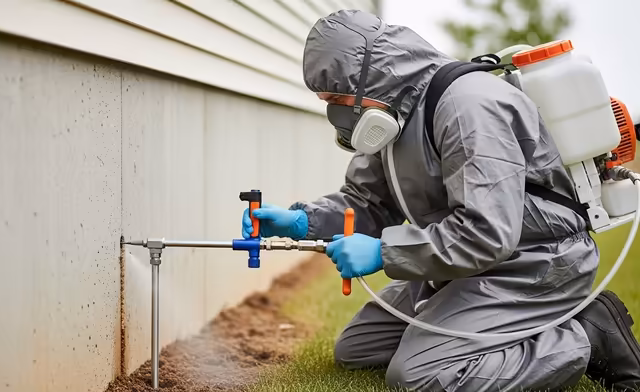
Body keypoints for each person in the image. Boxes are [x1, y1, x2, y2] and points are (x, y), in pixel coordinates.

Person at [241, 9, 640, 392]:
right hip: (466, 264)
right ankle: (478, 324)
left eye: (338, 99)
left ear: (369, 80)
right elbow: (368, 203)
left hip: (532, 262)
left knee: (420, 374)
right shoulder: (390, 114)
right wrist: (300, 222)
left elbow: (487, 232)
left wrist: (384, 252)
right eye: (326, 100)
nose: (335, 113)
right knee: (359, 348)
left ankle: (583, 336)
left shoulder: (468, 106)